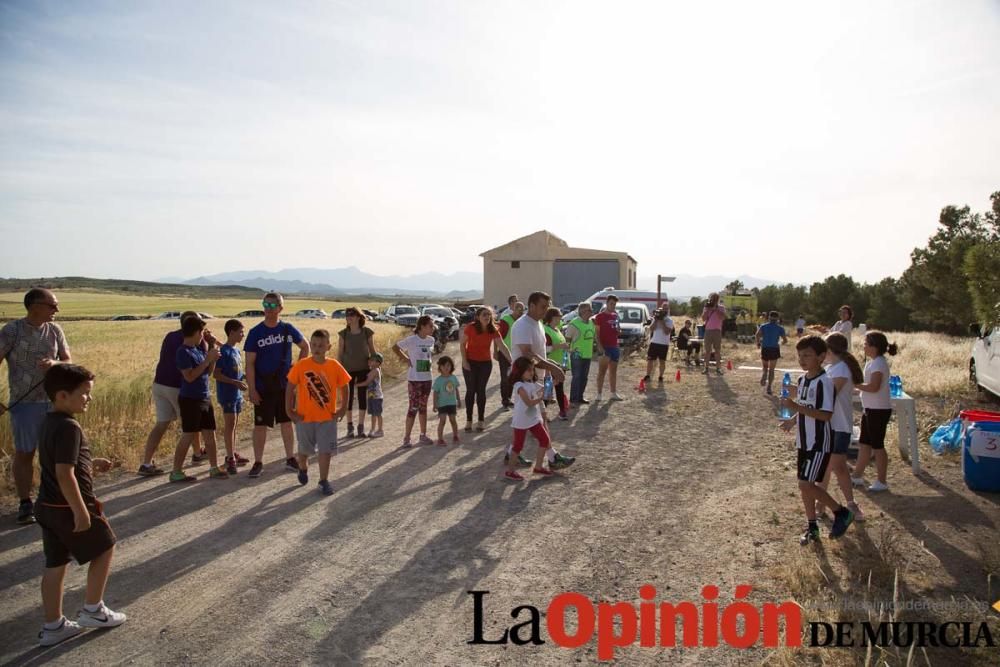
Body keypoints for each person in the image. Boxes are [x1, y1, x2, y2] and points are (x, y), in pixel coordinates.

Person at [33, 364, 126, 646]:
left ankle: (53, 626)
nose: (89, 399)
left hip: (47, 506)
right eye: (84, 394)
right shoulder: (70, 427)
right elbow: (64, 473)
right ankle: (93, 609)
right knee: (106, 545)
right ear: (62, 396)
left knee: (55, 562)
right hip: (68, 507)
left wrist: (90, 463)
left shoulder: (49, 421)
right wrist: (80, 511)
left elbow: (59, 463)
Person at [0, 288, 71, 525]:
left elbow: (68, 360)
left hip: (56, 403)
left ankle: (52, 498)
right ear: (34, 306)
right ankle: (24, 502)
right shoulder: (12, 331)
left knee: (56, 454)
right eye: (52, 305)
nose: (56, 310)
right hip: (25, 403)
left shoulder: (55, 330)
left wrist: (55, 363)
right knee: (25, 452)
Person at [779, 336, 854, 545]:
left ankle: (841, 512)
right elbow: (806, 407)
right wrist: (793, 421)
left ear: (821, 357)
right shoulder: (803, 380)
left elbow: (825, 414)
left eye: (807, 355)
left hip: (819, 442)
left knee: (805, 484)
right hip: (803, 440)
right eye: (800, 355)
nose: (802, 360)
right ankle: (812, 527)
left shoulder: (825, 382)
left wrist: (796, 407)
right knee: (805, 485)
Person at [245, 293, 309, 479]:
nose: (268, 308)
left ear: (281, 308)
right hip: (262, 387)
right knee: (260, 425)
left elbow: (305, 347)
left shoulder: (288, 329)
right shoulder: (255, 333)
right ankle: (258, 462)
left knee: (286, 422)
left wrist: (296, 371)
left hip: (284, 386)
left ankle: (290, 458)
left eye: (273, 305)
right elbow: (249, 363)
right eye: (266, 304)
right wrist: (252, 389)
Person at [138, 310, 208, 478]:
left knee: (161, 423)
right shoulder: (196, 341)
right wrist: (208, 343)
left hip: (160, 384)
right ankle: (196, 455)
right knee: (191, 424)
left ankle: (146, 462)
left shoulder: (170, 336)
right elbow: (203, 366)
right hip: (178, 387)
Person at [510, 291, 574, 470]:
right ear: (531, 306)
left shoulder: (536, 323)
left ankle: (513, 452)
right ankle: (552, 457)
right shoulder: (523, 325)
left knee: (532, 419)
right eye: (542, 307)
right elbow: (528, 353)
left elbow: (540, 353)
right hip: (526, 382)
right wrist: (552, 368)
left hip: (535, 380)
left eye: (547, 307)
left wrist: (553, 366)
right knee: (535, 419)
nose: (545, 311)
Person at [286, 329, 350, 496]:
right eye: (314, 344)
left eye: (321, 345)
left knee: (325, 450)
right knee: (304, 450)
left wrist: (343, 408)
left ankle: (323, 480)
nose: (317, 348)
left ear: (328, 347)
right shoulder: (301, 365)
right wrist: (289, 410)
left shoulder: (334, 365)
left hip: (327, 418)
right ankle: (302, 468)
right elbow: (290, 387)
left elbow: (345, 385)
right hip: (304, 418)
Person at [169, 316, 229, 482]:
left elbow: (208, 372)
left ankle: (214, 467)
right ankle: (176, 471)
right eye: (201, 332)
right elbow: (189, 376)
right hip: (190, 399)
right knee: (188, 435)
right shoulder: (183, 352)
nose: (202, 335)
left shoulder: (198, 349)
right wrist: (208, 359)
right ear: (196, 332)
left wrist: (212, 353)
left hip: (204, 396)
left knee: (210, 434)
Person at [819, 332, 865, 522]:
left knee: (834, 467)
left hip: (839, 427)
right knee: (832, 468)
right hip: (831, 425)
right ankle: (825, 505)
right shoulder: (833, 368)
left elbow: (828, 396)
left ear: (829, 350)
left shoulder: (840, 370)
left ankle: (843, 506)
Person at [851, 331, 898, 492]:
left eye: (866, 343)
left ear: (874, 346)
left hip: (879, 410)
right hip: (870, 408)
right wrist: (857, 389)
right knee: (864, 444)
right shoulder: (872, 362)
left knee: (878, 446)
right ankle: (857, 476)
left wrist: (856, 385)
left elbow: (874, 386)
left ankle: (882, 481)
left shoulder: (879, 363)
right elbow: (868, 387)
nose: (863, 346)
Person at [459, 308, 511, 432]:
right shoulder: (470, 328)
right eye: (484, 315)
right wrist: (465, 361)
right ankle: (469, 420)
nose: (487, 317)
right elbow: (462, 344)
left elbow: (502, 346)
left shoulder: (493, 329)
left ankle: (481, 420)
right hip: (470, 362)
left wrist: (512, 360)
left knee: (481, 391)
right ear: (478, 317)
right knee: (471, 390)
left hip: (485, 364)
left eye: (488, 315)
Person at [503, 357, 554, 481]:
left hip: (532, 419)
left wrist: (550, 383)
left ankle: (538, 467)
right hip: (521, 420)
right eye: (528, 370)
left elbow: (542, 388)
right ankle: (510, 471)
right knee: (517, 446)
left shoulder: (531, 383)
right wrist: (542, 398)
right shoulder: (519, 385)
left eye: (532, 370)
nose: (531, 372)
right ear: (520, 372)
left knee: (544, 439)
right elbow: (529, 402)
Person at [213, 319, 250, 475]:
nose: (243, 334)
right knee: (229, 426)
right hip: (228, 394)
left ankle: (232, 452)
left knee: (233, 425)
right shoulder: (225, 352)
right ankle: (229, 458)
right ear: (232, 332)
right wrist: (234, 382)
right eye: (240, 331)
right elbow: (217, 374)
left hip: (236, 394)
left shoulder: (236, 351)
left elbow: (238, 372)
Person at [393, 315, 437, 447]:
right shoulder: (412, 340)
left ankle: (423, 435)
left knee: (423, 408)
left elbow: (428, 356)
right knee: (413, 408)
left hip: (427, 378)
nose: (433, 328)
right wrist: (406, 359)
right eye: (430, 326)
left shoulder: (431, 340)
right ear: (422, 326)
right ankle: (407, 438)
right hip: (414, 379)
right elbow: (396, 347)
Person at [337, 307, 377, 439]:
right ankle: (349, 426)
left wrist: (375, 366)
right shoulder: (343, 334)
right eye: (347, 315)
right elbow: (340, 353)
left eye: (352, 315)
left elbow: (372, 350)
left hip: (363, 368)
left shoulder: (367, 332)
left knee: (361, 397)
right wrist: (338, 369)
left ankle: (360, 427)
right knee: (347, 399)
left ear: (359, 317)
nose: (349, 317)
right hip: (347, 370)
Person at [565, 302, 596, 404]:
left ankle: (580, 397)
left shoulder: (591, 323)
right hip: (576, 354)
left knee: (584, 377)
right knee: (577, 376)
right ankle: (573, 399)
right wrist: (569, 350)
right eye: (589, 310)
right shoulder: (574, 324)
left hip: (587, 354)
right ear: (582, 311)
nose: (591, 312)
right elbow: (567, 339)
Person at [542, 307, 570, 420]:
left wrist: (568, 349)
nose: (561, 318)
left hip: (560, 365)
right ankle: (542, 414)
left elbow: (561, 346)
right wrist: (560, 346)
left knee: (559, 389)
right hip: (550, 365)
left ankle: (562, 412)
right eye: (559, 316)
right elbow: (545, 349)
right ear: (553, 317)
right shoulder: (546, 330)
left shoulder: (557, 330)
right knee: (547, 390)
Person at [593, 295, 623, 400]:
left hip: (614, 346)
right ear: (607, 303)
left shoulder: (616, 315)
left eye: (615, 304)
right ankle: (599, 394)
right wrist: (600, 346)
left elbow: (619, 330)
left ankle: (613, 393)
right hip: (604, 347)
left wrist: (619, 330)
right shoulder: (599, 317)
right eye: (611, 304)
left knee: (613, 371)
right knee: (602, 371)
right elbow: (596, 333)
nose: (613, 306)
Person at [496, 301, 524, 409]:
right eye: (518, 308)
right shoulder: (505, 320)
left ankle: (509, 398)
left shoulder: (522, 321)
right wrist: (495, 351)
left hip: (517, 353)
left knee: (513, 376)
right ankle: (505, 400)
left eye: (522, 309)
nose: (520, 311)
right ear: (513, 308)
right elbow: (497, 337)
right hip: (504, 353)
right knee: (505, 377)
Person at [755, 311, 788, 395]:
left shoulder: (764, 326)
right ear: (777, 319)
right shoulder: (780, 328)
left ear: (769, 317)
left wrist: (758, 343)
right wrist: (780, 343)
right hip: (774, 349)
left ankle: (764, 373)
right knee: (772, 369)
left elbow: (757, 335)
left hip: (765, 348)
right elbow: (785, 340)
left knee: (765, 367)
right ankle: (769, 387)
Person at [432, 356, 461, 445]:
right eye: (443, 365)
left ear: (451, 366)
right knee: (442, 421)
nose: (446, 368)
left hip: (452, 403)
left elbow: (456, 389)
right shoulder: (438, 380)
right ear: (440, 367)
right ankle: (440, 439)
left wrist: (459, 400)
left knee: (453, 420)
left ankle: (455, 435)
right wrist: (435, 404)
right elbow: (435, 393)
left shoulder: (453, 378)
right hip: (442, 404)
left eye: (448, 365)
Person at [355, 353, 384, 438]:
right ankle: (373, 430)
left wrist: (357, 385)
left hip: (377, 396)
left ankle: (380, 430)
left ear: (378, 363)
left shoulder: (375, 371)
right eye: (369, 360)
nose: (369, 361)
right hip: (372, 396)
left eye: (372, 360)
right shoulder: (372, 370)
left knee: (377, 414)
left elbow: (367, 382)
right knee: (373, 414)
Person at [644, 306, 674, 385]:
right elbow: (651, 329)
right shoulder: (656, 318)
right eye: (663, 308)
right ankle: (648, 375)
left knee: (662, 361)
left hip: (664, 344)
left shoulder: (669, 320)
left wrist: (663, 322)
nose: (664, 310)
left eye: (666, 309)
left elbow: (667, 332)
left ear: (667, 310)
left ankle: (660, 376)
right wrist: (656, 321)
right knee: (650, 360)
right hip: (654, 342)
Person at [701, 292, 726, 375]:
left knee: (717, 351)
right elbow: (703, 319)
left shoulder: (721, 308)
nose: (713, 300)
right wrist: (707, 310)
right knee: (707, 351)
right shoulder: (707, 307)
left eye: (715, 299)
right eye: (712, 298)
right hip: (708, 331)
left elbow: (722, 318)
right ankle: (706, 368)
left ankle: (718, 368)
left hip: (717, 331)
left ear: (717, 300)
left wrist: (716, 309)